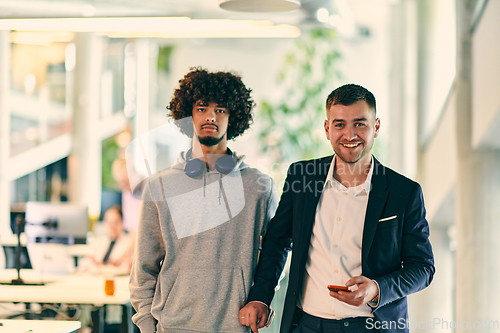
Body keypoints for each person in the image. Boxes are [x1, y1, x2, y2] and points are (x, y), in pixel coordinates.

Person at [239, 84, 435, 333]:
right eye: (340, 124)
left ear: (376, 127)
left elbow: (423, 267)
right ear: (327, 129)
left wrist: (377, 287)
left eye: (360, 124)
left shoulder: (404, 192)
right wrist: (260, 297)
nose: (350, 135)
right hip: (306, 325)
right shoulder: (302, 177)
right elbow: (278, 241)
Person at [129, 67, 278, 333]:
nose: (210, 116)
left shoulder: (259, 187)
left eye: (220, 109)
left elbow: (275, 254)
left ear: (233, 118)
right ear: (188, 115)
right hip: (173, 327)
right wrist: (146, 326)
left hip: (235, 326)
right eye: (201, 108)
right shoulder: (159, 187)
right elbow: (143, 268)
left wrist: (262, 299)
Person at [79, 205, 134, 275]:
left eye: (115, 222)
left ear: (123, 223)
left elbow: (125, 268)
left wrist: (100, 267)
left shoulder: (129, 244)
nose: (112, 226)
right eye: (108, 222)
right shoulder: (98, 242)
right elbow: (85, 263)